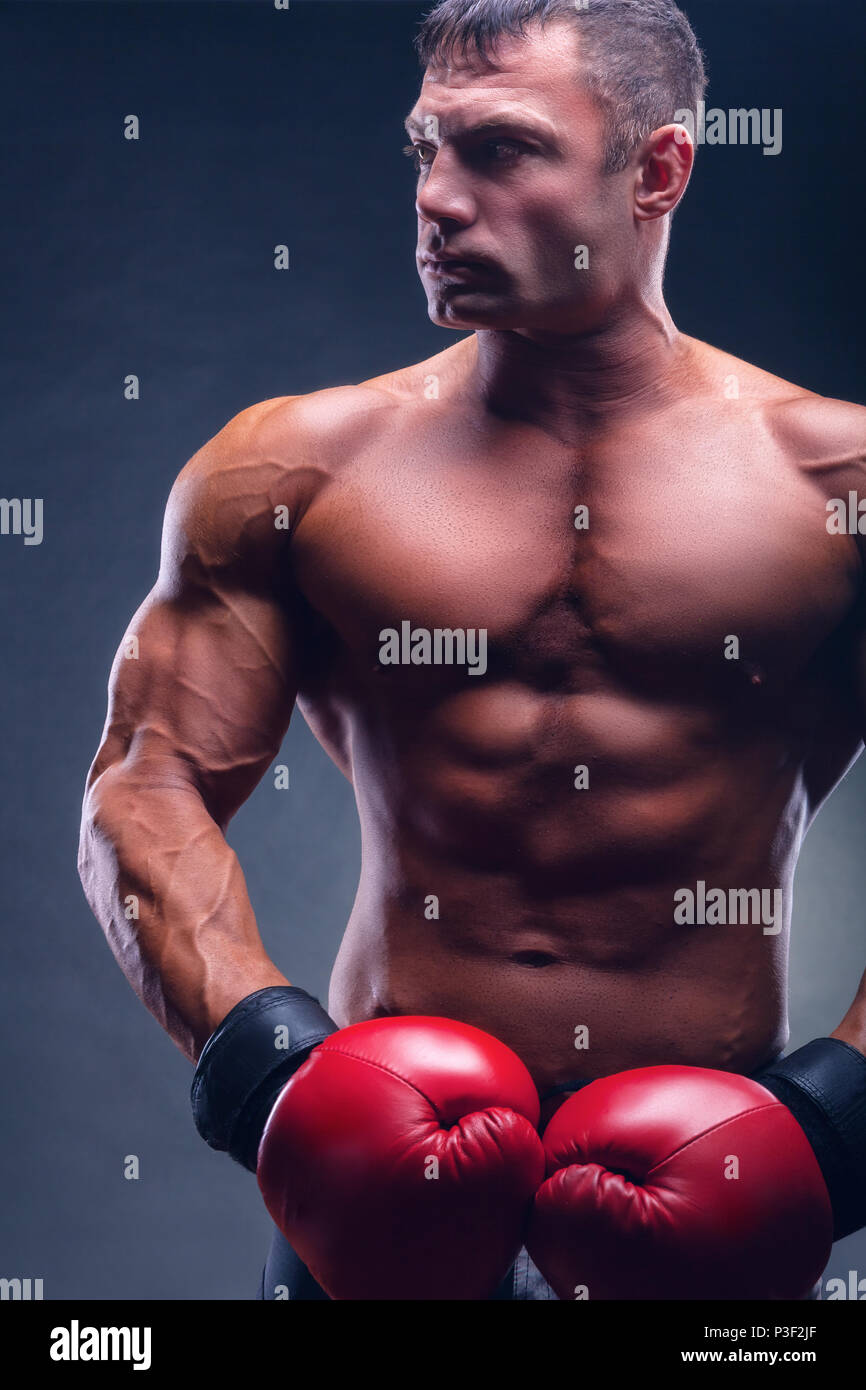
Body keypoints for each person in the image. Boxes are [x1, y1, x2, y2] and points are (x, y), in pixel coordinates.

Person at [78, 0, 866, 1300]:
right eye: (425, 149)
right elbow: (144, 781)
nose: (438, 198)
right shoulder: (293, 470)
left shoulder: (832, 480)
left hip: (715, 1172)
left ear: (656, 169)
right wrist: (269, 1066)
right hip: (376, 1190)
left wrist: (837, 1121)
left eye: (499, 150)